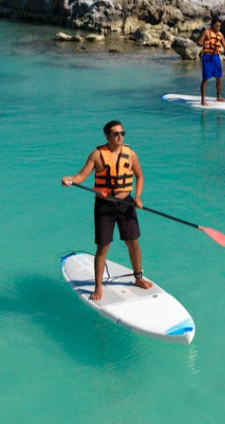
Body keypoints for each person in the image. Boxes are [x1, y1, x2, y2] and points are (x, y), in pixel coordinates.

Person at [60, 120, 154, 300]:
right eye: (116, 134)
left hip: (126, 203)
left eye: (122, 133)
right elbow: (81, 176)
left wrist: (138, 196)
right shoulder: (96, 155)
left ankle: (138, 278)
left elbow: (140, 176)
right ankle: (98, 287)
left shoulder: (131, 154)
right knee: (103, 246)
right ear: (107, 135)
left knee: (133, 242)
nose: (120, 137)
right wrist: (69, 180)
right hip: (104, 205)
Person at [198, 18, 225, 106]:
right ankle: (203, 100)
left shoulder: (220, 35)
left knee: (219, 77)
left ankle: (219, 97)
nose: (218, 28)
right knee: (205, 78)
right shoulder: (206, 32)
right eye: (216, 26)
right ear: (212, 25)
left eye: (219, 26)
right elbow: (199, 42)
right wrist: (204, 43)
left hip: (216, 57)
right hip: (207, 57)